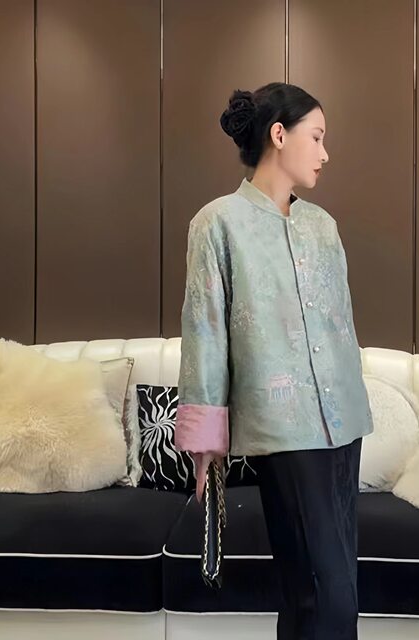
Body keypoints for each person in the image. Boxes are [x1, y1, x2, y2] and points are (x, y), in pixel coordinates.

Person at [174, 82, 374, 640]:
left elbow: (341, 326)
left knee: (322, 592)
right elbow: (204, 332)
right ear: (278, 135)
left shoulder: (323, 227)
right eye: (317, 137)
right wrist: (207, 442)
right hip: (283, 426)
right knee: (326, 592)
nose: (325, 153)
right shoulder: (217, 224)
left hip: (344, 424)